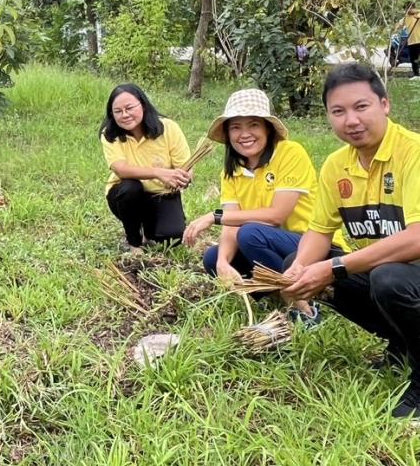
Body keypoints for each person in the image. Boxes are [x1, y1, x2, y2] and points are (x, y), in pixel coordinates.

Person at [281, 63, 420, 421]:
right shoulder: (337, 167)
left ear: (385, 104)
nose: (351, 120)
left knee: (387, 277)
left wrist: (333, 267)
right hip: (402, 281)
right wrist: (299, 270)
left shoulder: (419, 153)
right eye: (338, 112)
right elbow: (319, 231)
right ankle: (405, 344)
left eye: (361, 107)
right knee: (306, 263)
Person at [181, 89, 320, 324]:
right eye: (235, 127)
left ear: (267, 128)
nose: (244, 134)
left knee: (250, 233)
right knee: (213, 257)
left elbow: (277, 216)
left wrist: (214, 216)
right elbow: (232, 220)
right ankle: (274, 289)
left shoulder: (290, 153)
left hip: (310, 246)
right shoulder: (232, 171)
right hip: (267, 245)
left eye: (253, 125)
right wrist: (223, 262)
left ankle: (302, 303)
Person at [101, 83, 191, 249]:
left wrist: (184, 177)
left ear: (142, 105)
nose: (125, 115)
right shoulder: (110, 134)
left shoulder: (169, 128)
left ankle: (148, 229)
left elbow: (185, 167)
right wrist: (157, 172)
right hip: (126, 195)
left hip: (161, 193)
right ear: (112, 114)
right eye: (118, 111)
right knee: (130, 187)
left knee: (173, 238)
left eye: (129, 108)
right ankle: (133, 240)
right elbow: (120, 169)